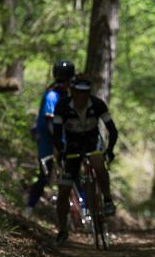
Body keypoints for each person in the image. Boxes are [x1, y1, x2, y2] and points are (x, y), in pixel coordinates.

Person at [52, 75, 118, 246]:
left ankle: (107, 199)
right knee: (64, 190)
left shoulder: (97, 105)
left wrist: (110, 150)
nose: (81, 96)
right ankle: (62, 230)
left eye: (85, 93)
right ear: (72, 92)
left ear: (89, 93)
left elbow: (112, 130)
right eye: (78, 92)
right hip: (72, 147)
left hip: (92, 144)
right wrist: (61, 152)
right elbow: (57, 134)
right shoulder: (62, 106)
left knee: (98, 165)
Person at [23, 60, 75, 217]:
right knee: (44, 176)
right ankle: (29, 208)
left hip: (61, 140)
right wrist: (58, 143)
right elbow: (49, 121)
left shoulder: (66, 95)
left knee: (70, 173)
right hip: (47, 140)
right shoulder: (52, 95)